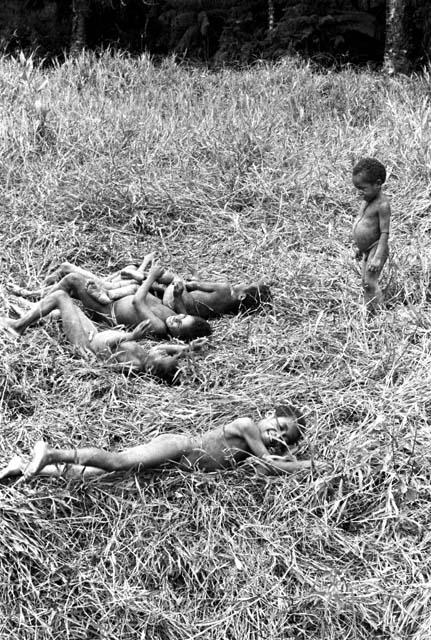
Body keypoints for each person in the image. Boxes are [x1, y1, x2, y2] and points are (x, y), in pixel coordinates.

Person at [0, 405, 318, 482]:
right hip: (180, 448)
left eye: (282, 438)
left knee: (103, 473)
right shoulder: (248, 427)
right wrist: (309, 465)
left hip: (177, 465)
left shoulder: (252, 450)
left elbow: (264, 467)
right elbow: (270, 464)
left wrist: (289, 456)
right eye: (278, 426)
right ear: (267, 416)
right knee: (118, 461)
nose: (275, 436)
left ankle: (26, 466)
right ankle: (52, 451)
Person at [0, 289, 207, 383]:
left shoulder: (135, 365)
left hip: (86, 343)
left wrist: (130, 335)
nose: (159, 351)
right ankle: (24, 307)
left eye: (159, 357)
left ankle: (17, 327)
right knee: (59, 312)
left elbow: (105, 356)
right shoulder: (151, 355)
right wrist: (188, 350)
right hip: (95, 333)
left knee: (61, 297)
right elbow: (168, 351)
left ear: (152, 369)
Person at [12, 254, 271, 320]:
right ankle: (34, 296)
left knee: (72, 280)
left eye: (248, 284)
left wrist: (158, 281)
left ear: (243, 294)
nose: (243, 282)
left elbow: (192, 283)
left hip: (159, 298)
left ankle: (33, 299)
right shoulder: (220, 311)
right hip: (168, 301)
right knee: (131, 281)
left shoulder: (226, 289)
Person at [10, 263, 212, 341]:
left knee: (72, 281)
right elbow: (182, 311)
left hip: (108, 308)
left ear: (177, 336)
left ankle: (36, 302)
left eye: (178, 325)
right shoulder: (175, 316)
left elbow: (138, 302)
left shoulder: (160, 327)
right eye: (182, 317)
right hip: (113, 294)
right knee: (71, 278)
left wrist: (151, 277)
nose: (176, 320)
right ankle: (37, 298)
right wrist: (177, 295)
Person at [352, 157, 391, 313]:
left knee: (370, 282)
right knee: (365, 282)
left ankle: (379, 314)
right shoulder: (367, 199)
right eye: (357, 188)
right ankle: (370, 310)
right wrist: (359, 247)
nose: (360, 192)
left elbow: (384, 233)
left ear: (378, 184)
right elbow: (362, 223)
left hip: (377, 248)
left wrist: (377, 257)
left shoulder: (382, 205)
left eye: (363, 188)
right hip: (367, 248)